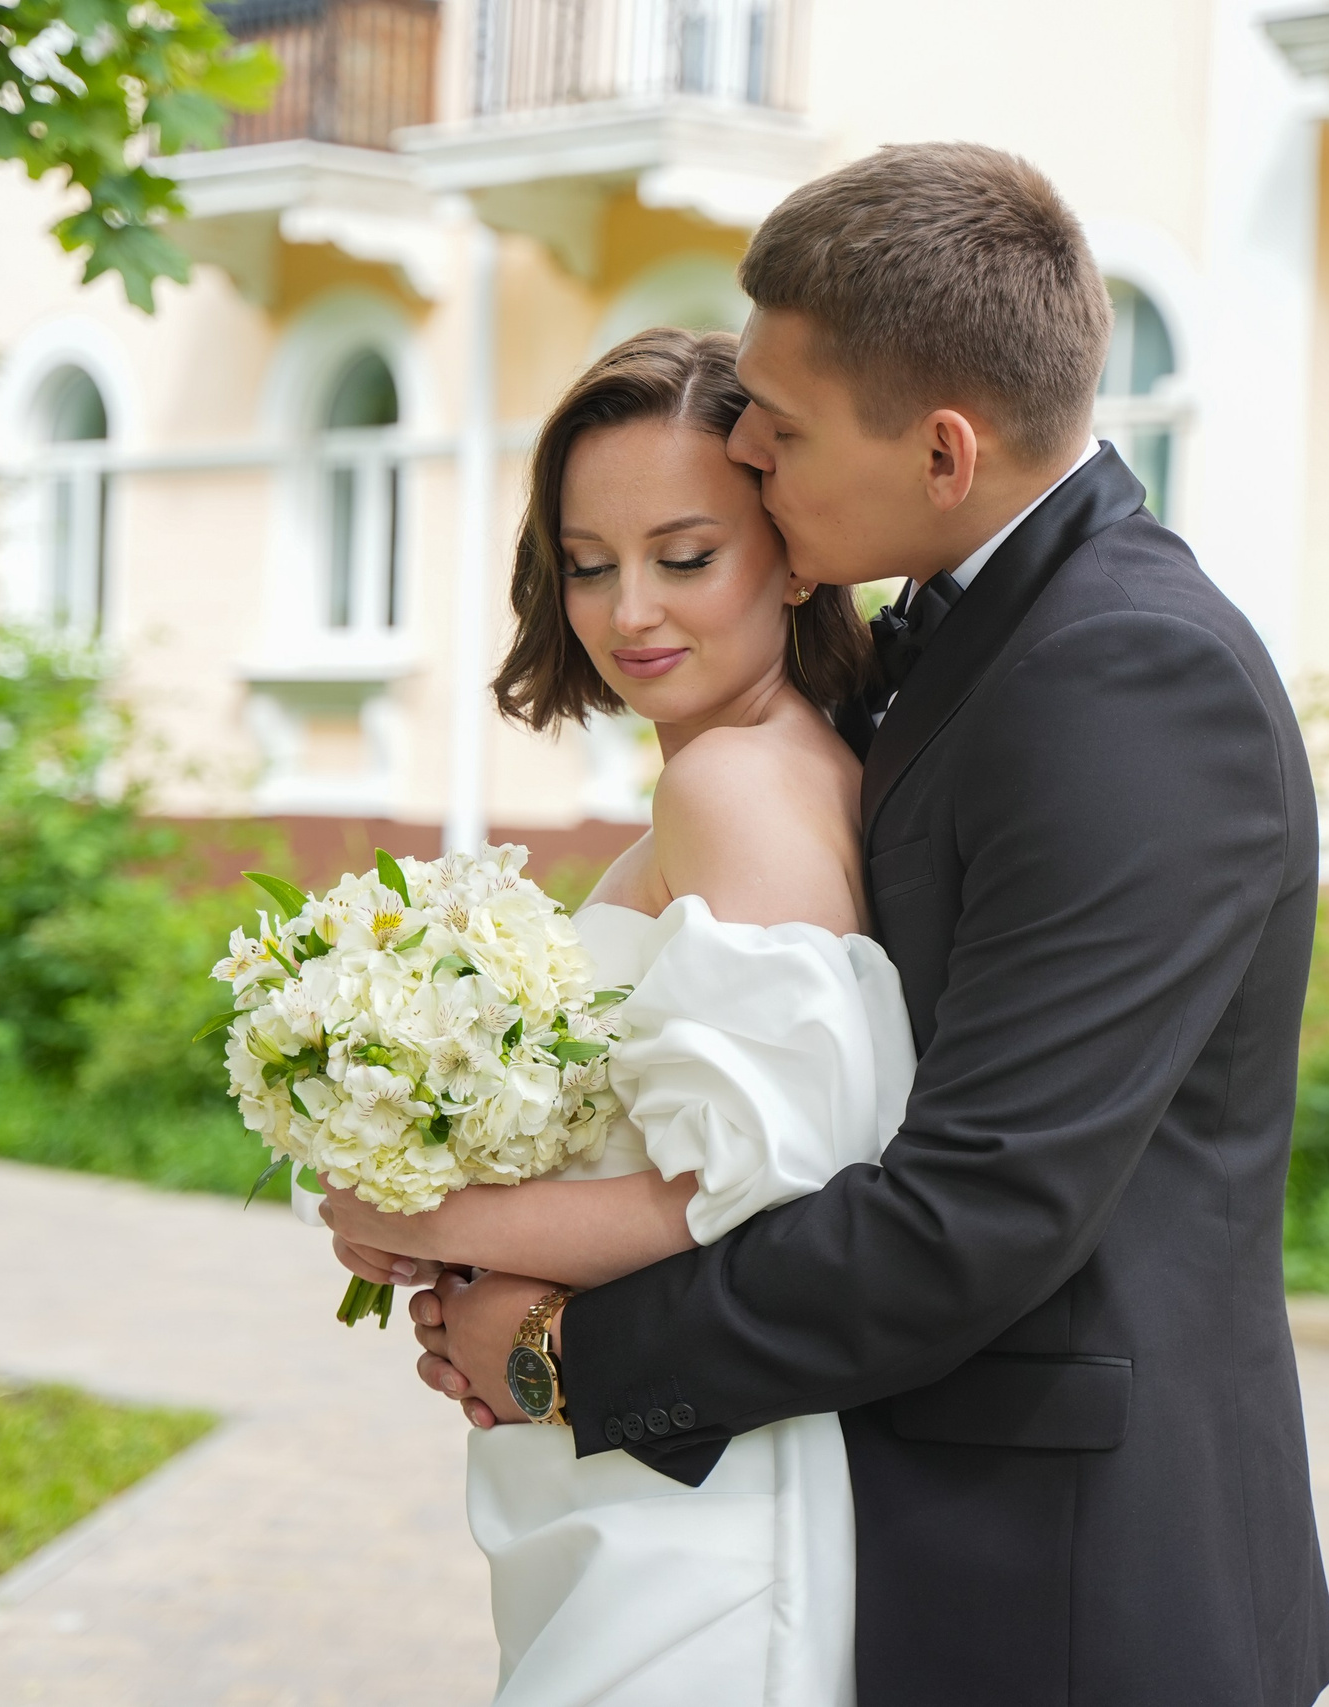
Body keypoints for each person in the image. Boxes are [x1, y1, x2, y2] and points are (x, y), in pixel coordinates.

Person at [370, 141, 1329, 1705]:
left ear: (945, 453)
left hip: (1073, 1579)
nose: (745, 443)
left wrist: (565, 1357)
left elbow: (979, 1214)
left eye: (783, 423)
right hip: (903, 1518)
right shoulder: (962, 648)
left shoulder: (1130, 679)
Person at [322, 325, 899, 1702]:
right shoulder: (761, 766)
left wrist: (425, 1223)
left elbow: (748, 1192)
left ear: (794, 550)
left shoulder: (734, 789)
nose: (630, 609)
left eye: (684, 557)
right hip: (645, 1479)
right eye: (589, 564)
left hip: (707, 1521)